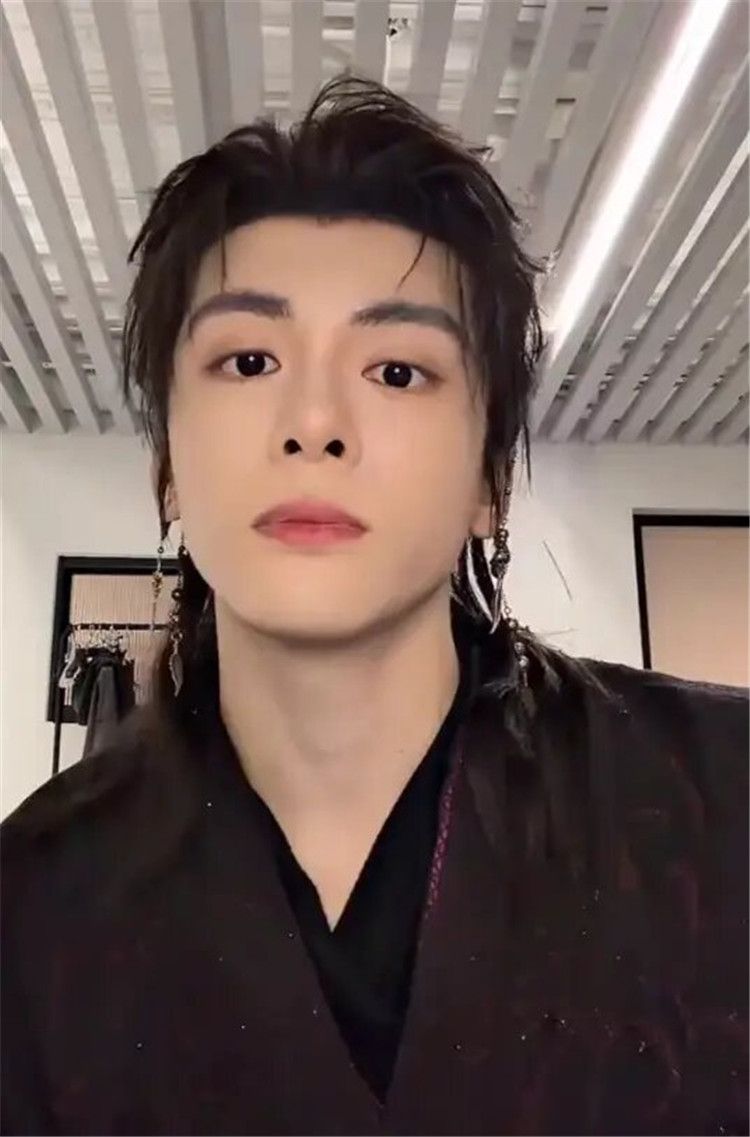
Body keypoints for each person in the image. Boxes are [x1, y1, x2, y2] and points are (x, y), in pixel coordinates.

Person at [1, 74, 747, 1137]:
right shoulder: (34, 908)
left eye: (397, 370)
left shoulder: (723, 799)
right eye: (248, 359)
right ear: (167, 468)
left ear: (490, 479)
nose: (314, 422)